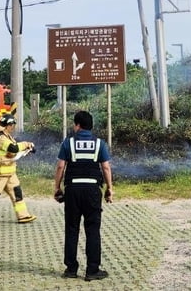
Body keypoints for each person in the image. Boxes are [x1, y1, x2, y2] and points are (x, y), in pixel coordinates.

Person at [53, 110, 113, 282]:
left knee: (72, 229)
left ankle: (71, 269)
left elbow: (60, 167)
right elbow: (106, 168)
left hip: (72, 191)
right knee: (92, 230)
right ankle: (92, 270)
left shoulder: (68, 143)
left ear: (77, 125)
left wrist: (57, 188)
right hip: (93, 191)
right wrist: (110, 189)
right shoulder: (100, 144)